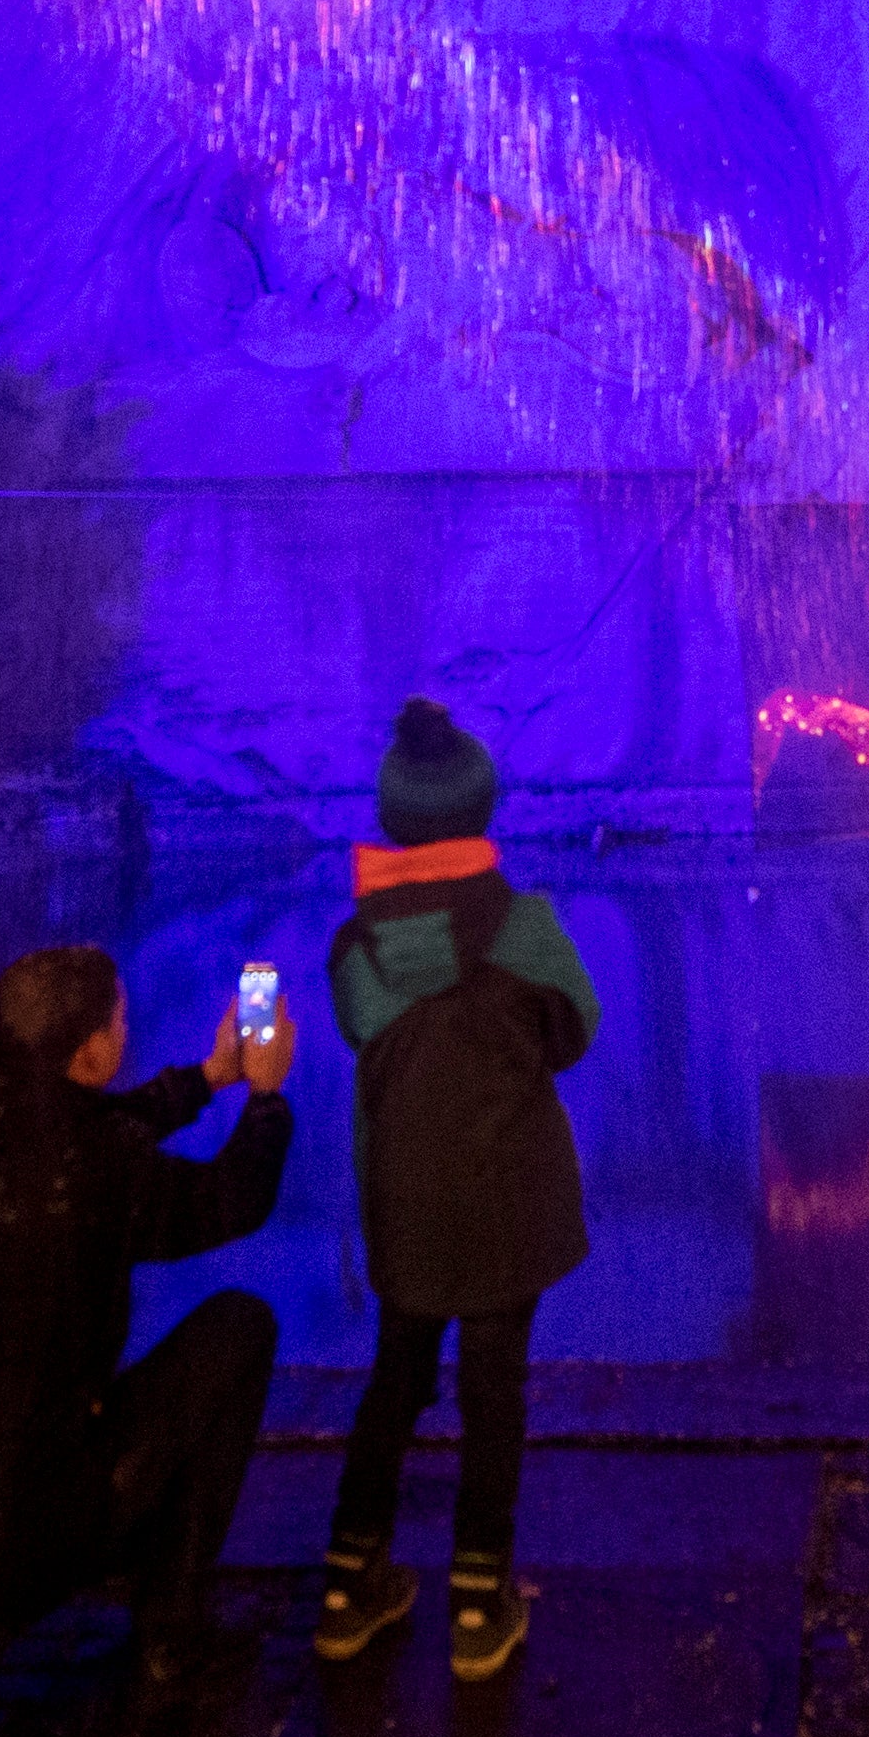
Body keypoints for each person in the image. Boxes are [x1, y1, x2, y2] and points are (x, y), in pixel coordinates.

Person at [0, 939, 295, 1737]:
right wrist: (266, 1100)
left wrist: (206, 1080)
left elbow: (76, 1128)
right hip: (25, 1533)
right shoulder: (100, 1172)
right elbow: (232, 1199)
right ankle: (168, 1635)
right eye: (121, 1022)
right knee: (240, 1329)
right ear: (92, 1052)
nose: (127, 1033)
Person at [311, 698, 602, 1683]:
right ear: (480, 808)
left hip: (408, 1204)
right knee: (494, 1392)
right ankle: (479, 1604)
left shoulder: (356, 951)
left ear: (394, 816)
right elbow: (574, 1032)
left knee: (394, 1383)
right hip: (508, 1202)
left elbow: (363, 1034)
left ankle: (348, 1587)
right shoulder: (526, 928)